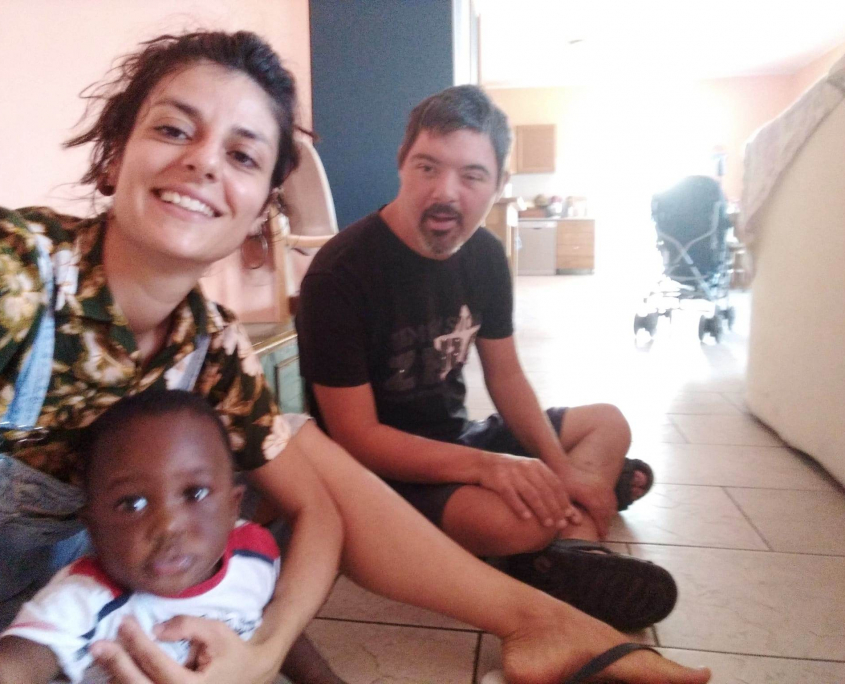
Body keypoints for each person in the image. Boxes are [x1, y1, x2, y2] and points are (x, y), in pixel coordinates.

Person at [0, 30, 710, 684]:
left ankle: (545, 615)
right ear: (115, 153)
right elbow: (359, 440)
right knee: (327, 448)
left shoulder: (211, 345)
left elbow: (326, 505)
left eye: (242, 155)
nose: (203, 161)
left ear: (262, 206)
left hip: (104, 595)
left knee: (292, 444)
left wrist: (265, 652)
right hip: (55, 621)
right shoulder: (19, 274)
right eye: (173, 129)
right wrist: (498, 470)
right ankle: (549, 583)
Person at [296, 85, 672, 631]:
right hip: (379, 476)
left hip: (459, 439)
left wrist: (558, 468)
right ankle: (571, 541)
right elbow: (357, 438)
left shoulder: (486, 256)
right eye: (428, 167)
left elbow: (507, 375)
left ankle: (567, 538)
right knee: (518, 523)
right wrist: (492, 468)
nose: (445, 193)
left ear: (498, 185)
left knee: (609, 421)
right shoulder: (340, 275)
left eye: (472, 175)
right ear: (402, 163)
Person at [0, 390, 281, 684]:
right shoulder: (83, 600)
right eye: (132, 503)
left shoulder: (255, 553)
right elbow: (15, 666)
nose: (168, 525)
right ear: (94, 527)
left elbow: (265, 623)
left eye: (195, 493)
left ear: (233, 507)